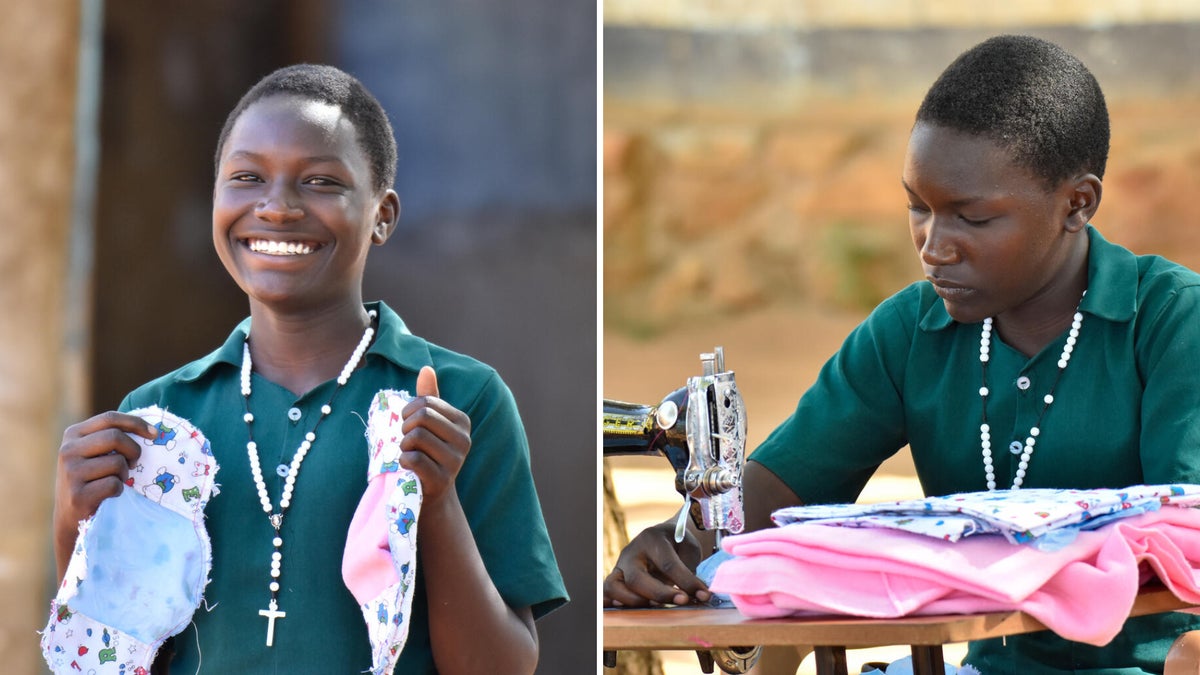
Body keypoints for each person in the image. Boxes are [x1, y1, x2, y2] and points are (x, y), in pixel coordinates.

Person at [604, 34, 1200, 673]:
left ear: (1076, 204)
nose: (933, 245)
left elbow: (1184, 537)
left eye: (971, 218)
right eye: (919, 207)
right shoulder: (912, 332)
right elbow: (772, 503)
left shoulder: (1170, 322)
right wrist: (683, 548)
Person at [51, 64, 567, 674]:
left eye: (321, 182)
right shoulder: (159, 417)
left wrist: (437, 498)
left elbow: (501, 667)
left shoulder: (461, 400)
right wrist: (72, 519)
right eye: (246, 177)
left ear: (383, 215)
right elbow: (116, 656)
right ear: (215, 196)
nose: (276, 207)